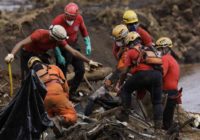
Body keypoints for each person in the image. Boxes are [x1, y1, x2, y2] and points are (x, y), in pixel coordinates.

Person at [4, 25, 100, 79]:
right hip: (27, 54)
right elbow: (21, 43)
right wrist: (11, 54)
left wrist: (89, 61)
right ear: (54, 38)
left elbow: (73, 52)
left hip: (40, 54)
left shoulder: (59, 40)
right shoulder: (40, 34)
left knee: (49, 73)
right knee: (27, 78)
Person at [116, 32, 163, 129]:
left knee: (126, 90)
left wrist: (120, 84)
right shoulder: (149, 49)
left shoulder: (131, 51)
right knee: (157, 102)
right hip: (157, 75)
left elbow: (124, 71)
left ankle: (124, 115)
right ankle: (158, 126)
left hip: (143, 74)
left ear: (129, 42)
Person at [84, 24, 129, 116]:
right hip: (123, 75)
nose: (117, 42)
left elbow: (121, 70)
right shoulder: (126, 47)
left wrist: (111, 80)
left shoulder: (128, 51)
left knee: (96, 96)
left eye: (118, 39)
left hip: (126, 77)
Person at [27, 56, 76, 137]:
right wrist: (66, 98)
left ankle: (58, 132)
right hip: (58, 94)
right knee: (71, 115)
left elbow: (32, 96)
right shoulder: (54, 67)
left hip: (44, 101)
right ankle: (59, 120)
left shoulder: (31, 77)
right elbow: (65, 85)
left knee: (51, 116)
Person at [52, 2, 92, 97]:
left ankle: (72, 92)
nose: (68, 18)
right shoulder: (57, 21)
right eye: (67, 15)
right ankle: (62, 94)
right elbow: (53, 40)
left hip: (73, 45)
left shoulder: (79, 18)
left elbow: (83, 30)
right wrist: (58, 54)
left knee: (81, 70)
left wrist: (88, 43)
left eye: (71, 16)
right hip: (61, 47)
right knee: (62, 73)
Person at [155, 37, 181, 130]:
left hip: (168, 93)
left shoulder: (165, 58)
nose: (158, 51)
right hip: (173, 92)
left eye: (159, 49)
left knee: (166, 124)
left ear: (165, 48)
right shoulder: (172, 59)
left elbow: (161, 74)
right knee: (168, 120)